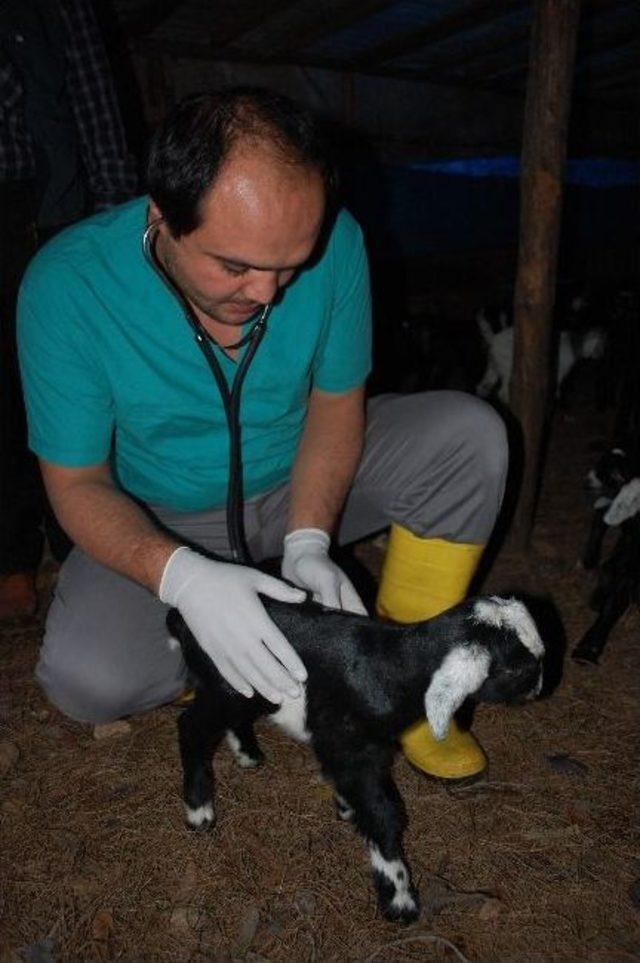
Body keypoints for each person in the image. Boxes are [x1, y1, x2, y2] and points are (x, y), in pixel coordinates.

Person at [18, 88, 508, 781]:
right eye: (236, 266)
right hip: (161, 513)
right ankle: (224, 648)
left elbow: (339, 404)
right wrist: (182, 577)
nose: (268, 294)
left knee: (469, 438)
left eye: (290, 267)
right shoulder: (67, 286)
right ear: (161, 216)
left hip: (295, 478)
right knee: (87, 679)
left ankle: (404, 679)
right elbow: (75, 481)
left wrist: (310, 538)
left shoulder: (338, 243)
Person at [0, 0, 138, 618]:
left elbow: (94, 104)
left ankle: (83, 547)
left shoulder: (59, 8)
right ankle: (11, 559)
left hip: (50, 211)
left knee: (67, 384)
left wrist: (110, 226)